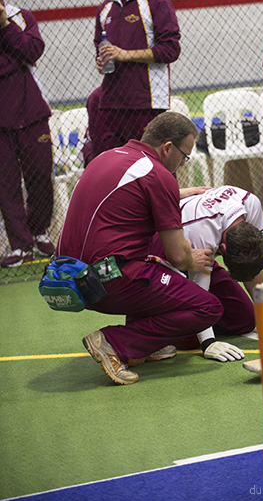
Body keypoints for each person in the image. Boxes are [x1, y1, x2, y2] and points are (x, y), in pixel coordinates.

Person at [56, 112, 245, 386]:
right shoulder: (159, 175)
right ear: (167, 148)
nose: (182, 164)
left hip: (70, 276)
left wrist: (173, 194)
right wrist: (192, 260)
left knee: (152, 261)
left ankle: (147, 345)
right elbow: (178, 257)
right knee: (209, 308)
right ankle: (113, 342)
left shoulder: (108, 156)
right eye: (184, 156)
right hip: (108, 281)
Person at [150, 185, 263, 356]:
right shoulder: (202, 231)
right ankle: (157, 323)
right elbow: (199, 293)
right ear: (221, 249)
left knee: (244, 319)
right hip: (164, 254)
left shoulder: (250, 203)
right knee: (191, 339)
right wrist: (208, 343)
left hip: (199, 245)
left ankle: (183, 318)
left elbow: (252, 262)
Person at [91, 0, 181, 158]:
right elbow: (99, 46)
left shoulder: (156, 3)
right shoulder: (106, 8)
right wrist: (102, 62)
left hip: (147, 101)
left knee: (154, 167)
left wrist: (125, 54)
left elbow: (171, 50)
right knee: (109, 165)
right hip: (112, 101)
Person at [0, 0, 55, 268]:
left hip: (32, 113)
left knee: (40, 176)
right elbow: (20, 56)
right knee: (5, 185)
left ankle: (39, 232)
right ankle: (20, 245)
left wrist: (5, 27)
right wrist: (15, 59)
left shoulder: (21, 17)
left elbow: (33, 50)